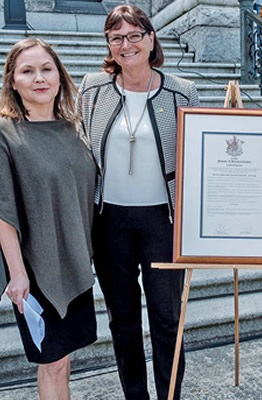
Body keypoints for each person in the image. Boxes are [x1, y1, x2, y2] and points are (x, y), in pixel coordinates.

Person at [77, 5, 199, 399]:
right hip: (109, 222)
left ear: (151, 39)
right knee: (122, 320)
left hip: (162, 222)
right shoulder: (93, 88)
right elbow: (80, 150)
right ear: (109, 46)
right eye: (116, 38)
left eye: (134, 35)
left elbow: (198, 158)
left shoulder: (182, 91)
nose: (125, 45)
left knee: (167, 319)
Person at [0, 38, 97, 399]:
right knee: (52, 361)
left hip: (73, 259)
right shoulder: (6, 133)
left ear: (60, 76)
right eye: (27, 71)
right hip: (35, 266)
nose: (38, 78)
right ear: (13, 81)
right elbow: (3, 210)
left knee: (64, 360)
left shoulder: (76, 128)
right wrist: (18, 274)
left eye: (46, 69)